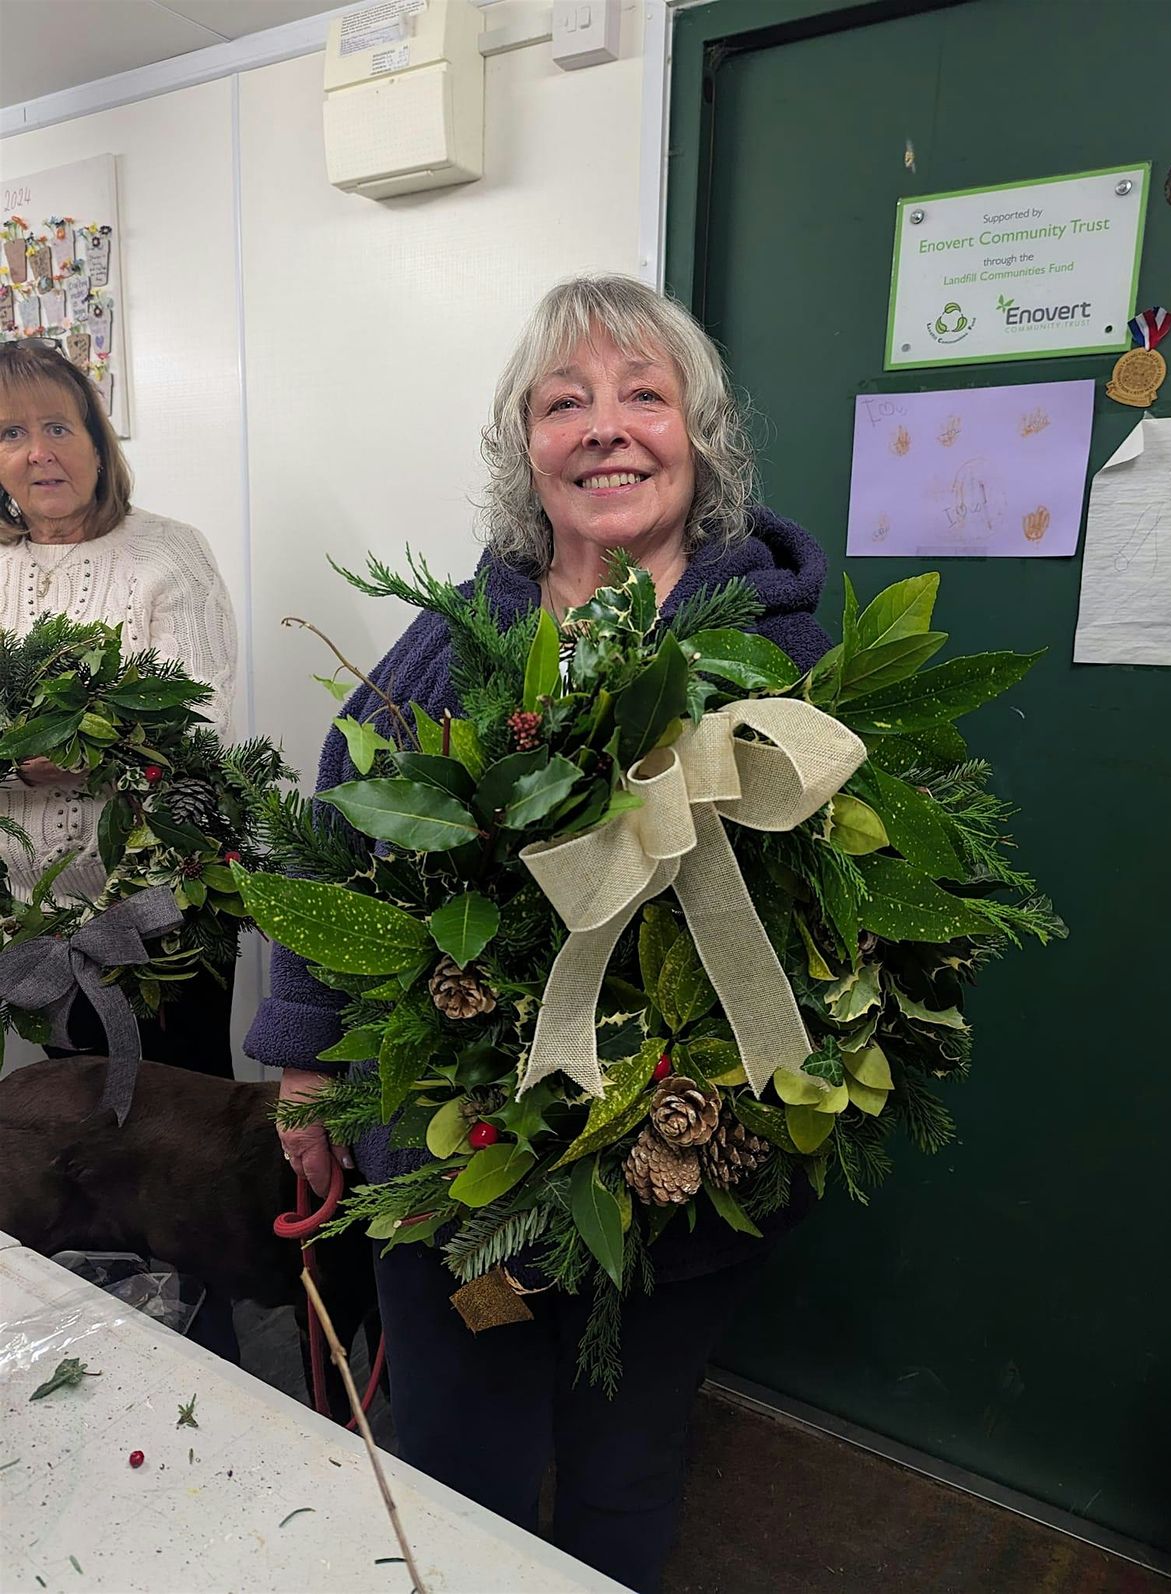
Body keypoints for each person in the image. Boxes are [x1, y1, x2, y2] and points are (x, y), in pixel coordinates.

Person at [245, 275, 833, 1593]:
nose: (606, 426)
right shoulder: (454, 642)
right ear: (526, 448)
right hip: (457, 1176)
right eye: (564, 401)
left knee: (628, 1455)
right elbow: (338, 848)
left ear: (705, 434)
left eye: (644, 394)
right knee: (459, 1449)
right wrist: (302, 1064)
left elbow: (832, 909)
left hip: (683, 1162)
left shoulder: (776, 646)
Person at [0, 339, 239, 1078]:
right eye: (10, 432)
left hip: (163, 917)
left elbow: (202, 720)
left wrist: (73, 748)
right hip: (27, 924)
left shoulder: (170, 553)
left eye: (58, 427)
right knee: (72, 1120)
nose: (39, 452)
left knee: (182, 1123)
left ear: (99, 446)